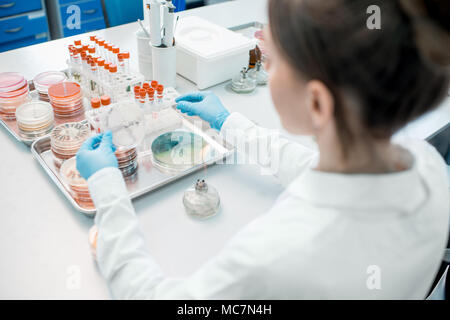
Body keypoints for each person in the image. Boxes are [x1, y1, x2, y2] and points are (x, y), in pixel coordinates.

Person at [76, 0, 450, 299]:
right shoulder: (429, 167)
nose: (262, 64)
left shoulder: (273, 259)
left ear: (317, 103)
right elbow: (321, 174)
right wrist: (229, 123)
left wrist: (109, 192)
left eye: (269, 58)